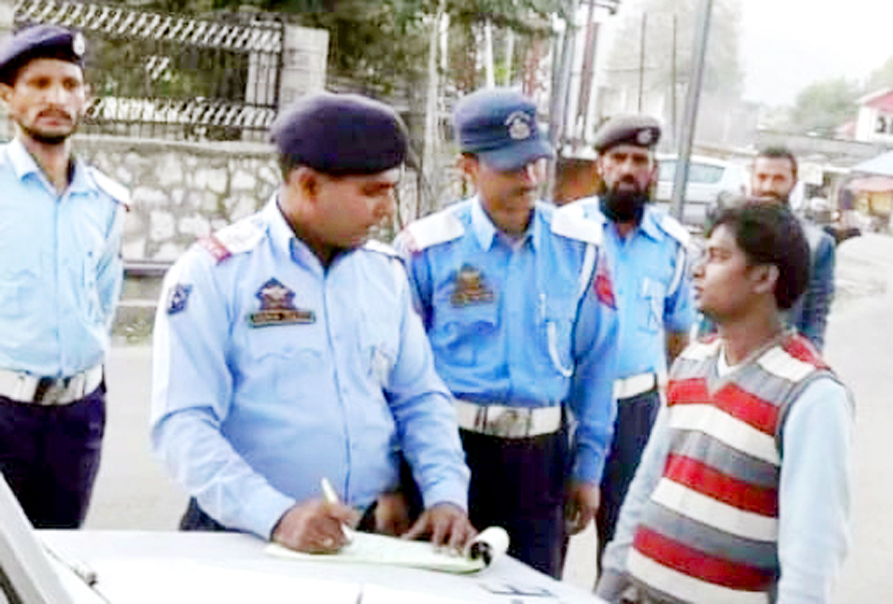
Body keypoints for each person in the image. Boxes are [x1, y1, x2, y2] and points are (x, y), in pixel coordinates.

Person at [150, 92, 473, 554]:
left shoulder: (384, 273)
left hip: (366, 538)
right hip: (246, 537)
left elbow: (420, 398)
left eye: (391, 189)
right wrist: (276, 516)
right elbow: (182, 425)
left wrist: (445, 495)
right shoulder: (215, 273)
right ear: (307, 185)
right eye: (371, 191)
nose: (386, 208)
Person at [397, 88, 619, 578]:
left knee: (529, 587)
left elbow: (597, 362)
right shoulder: (425, 250)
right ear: (468, 167)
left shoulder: (580, 249)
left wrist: (588, 467)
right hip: (447, 452)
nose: (529, 177)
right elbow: (395, 373)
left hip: (539, 458)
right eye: (510, 165)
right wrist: (393, 474)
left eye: (535, 162)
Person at [597, 202, 853, 604]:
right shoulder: (692, 361)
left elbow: (813, 550)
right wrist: (610, 583)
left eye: (717, 257)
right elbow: (647, 486)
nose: (698, 269)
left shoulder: (811, 394)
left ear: (764, 277)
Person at [0, 24, 128, 529]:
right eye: (39, 84)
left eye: (70, 84)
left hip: (77, 418)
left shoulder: (106, 201)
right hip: (2, 409)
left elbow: (102, 303)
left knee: (57, 557)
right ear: (8, 97)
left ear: (86, 99)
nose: (56, 97)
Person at [560, 115, 696, 571]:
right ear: (600, 166)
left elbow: (678, 332)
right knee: (550, 528)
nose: (628, 169)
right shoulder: (564, 231)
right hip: (569, 405)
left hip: (636, 407)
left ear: (653, 171)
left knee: (625, 537)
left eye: (640, 160)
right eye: (618, 158)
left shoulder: (673, 244)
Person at [749, 146, 837, 350]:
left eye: (778, 179)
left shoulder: (816, 244)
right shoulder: (727, 234)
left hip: (782, 357)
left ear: (794, 183)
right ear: (751, 179)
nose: (768, 186)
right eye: (761, 177)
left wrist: (810, 362)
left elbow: (816, 313)